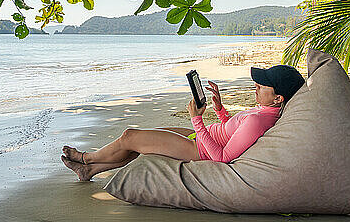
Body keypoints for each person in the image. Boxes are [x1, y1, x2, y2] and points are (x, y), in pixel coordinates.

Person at [61, 65, 305, 181]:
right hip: (202, 136)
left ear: (278, 97)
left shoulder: (259, 120)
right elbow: (235, 131)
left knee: (130, 137)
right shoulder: (265, 112)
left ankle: (87, 159)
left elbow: (222, 158)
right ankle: (90, 171)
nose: (256, 86)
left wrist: (197, 119)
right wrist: (219, 110)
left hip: (200, 148)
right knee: (141, 140)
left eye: (262, 85)